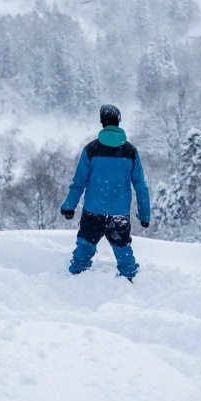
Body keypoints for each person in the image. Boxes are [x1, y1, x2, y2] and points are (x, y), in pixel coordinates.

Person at [60, 104, 150, 281]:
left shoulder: (91, 149)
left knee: (84, 250)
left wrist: (69, 206)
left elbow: (79, 182)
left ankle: (74, 282)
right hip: (119, 213)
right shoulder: (130, 151)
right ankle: (130, 282)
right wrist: (145, 214)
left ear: (102, 122)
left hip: (93, 211)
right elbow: (140, 185)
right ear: (119, 122)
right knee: (124, 252)